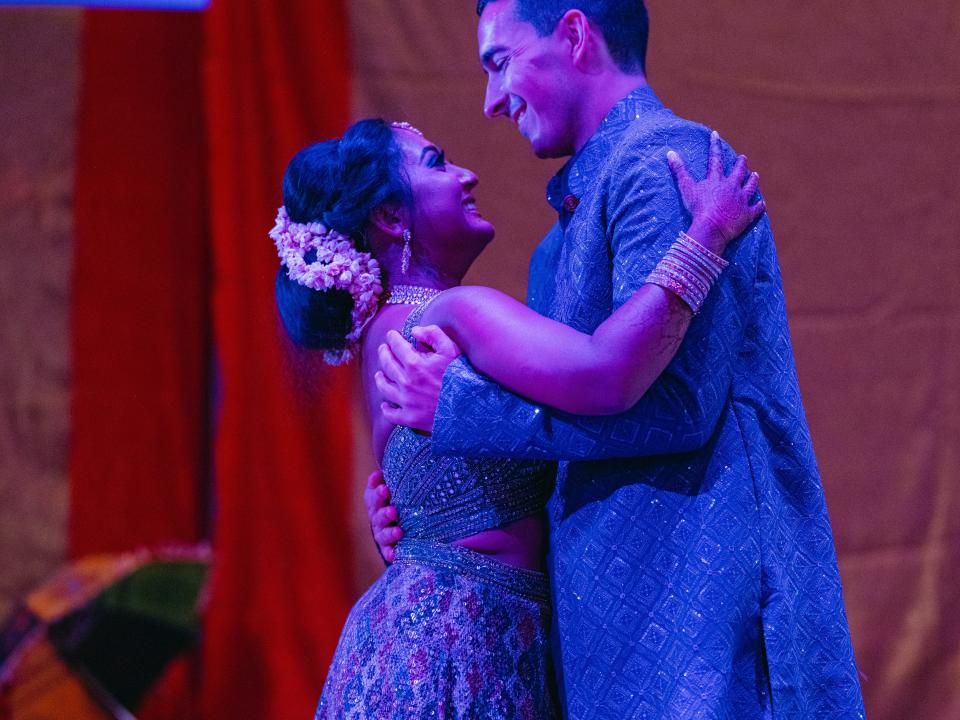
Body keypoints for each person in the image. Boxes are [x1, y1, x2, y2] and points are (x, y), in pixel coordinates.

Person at [369, 1, 867, 718]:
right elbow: (557, 428)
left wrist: (461, 409)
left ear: (573, 34)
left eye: (499, 62)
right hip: (617, 615)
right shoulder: (560, 236)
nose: (489, 102)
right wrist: (420, 506)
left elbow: (676, 407)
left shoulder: (664, 163)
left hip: (703, 599)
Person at [271, 118, 762, 718]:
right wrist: (704, 239)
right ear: (392, 219)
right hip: (462, 639)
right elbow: (608, 374)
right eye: (435, 161)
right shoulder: (453, 315)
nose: (465, 174)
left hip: (419, 635)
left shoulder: (384, 337)